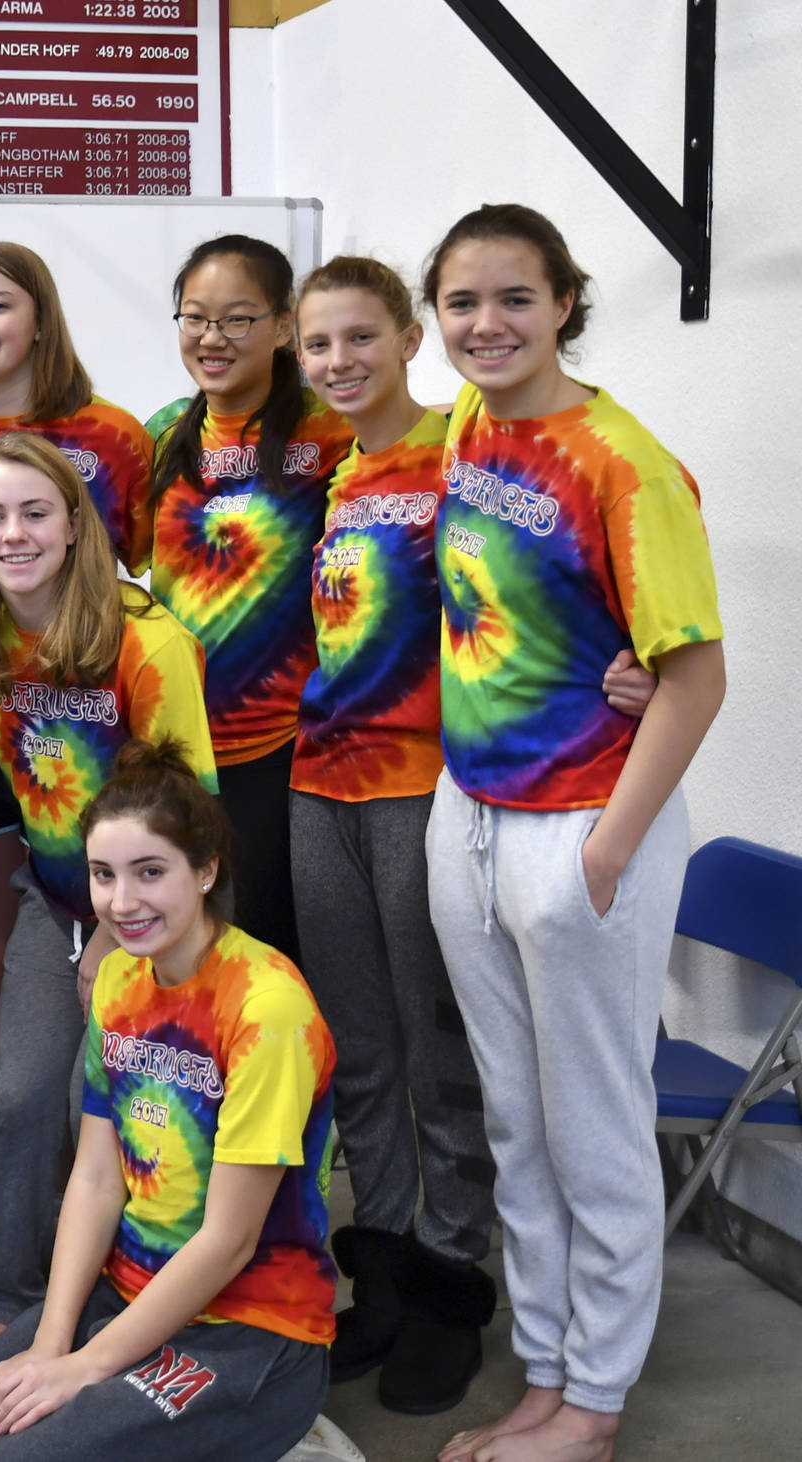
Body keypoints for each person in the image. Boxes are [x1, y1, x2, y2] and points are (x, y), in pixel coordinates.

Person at [288, 256, 663, 1415]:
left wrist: (638, 658)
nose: (339, 361)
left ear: (410, 338)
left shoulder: (462, 441)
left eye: (361, 336)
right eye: (317, 343)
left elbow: (599, 530)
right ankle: (383, 1262)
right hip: (320, 784)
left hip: (429, 789)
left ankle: (450, 1279)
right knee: (360, 1049)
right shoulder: (337, 471)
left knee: (440, 1055)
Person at [422, 205, 725, 1462]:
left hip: (585, 825)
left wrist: (602, 853)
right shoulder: (468, 421)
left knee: (592, 1129)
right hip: (471, 814)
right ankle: (544, 1372)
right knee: (515, 1122)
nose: (486, 324)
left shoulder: (623, 462)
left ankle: (592, 1404)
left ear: (563, 304)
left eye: (514, 298)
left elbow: (696, 679)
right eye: (461, 302)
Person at [0, 738, 336, 1462]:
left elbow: (229, 1241)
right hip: (125, 1292)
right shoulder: (121, 983)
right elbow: (97, 1180)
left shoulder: (266, 1009)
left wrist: (85, 1368)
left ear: (206, 870)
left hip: (251, 1331)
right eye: (103, 874)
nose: (122, 903)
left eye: (150, 872)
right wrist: (50, 1342)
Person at [0, 433, 215, 1367]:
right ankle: (15, 1303)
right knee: (22, 1102)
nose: (13, 534)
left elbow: (186, 815)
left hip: (156, 918)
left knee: (108, 1109)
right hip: (54, 901)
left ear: (74, 525)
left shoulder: (146, 639)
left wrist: (117, 931)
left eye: (34, 513)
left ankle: (131, 1300)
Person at [0, 241, 159, 1282]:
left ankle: (108, 1200)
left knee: (116, 954)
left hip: (89, 712)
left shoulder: (113, 434)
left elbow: (140, 561)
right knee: (11, 967)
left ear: (40, 317)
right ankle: (20, 1202)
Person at [144, 234, 357, 967]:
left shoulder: (329, 429)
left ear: (284, 324)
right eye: (195, 317)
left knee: (273, 955)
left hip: (289, 748)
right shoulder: (163, 434)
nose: (213, 338)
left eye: (237, 318)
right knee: (190, 954)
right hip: (180, 743)